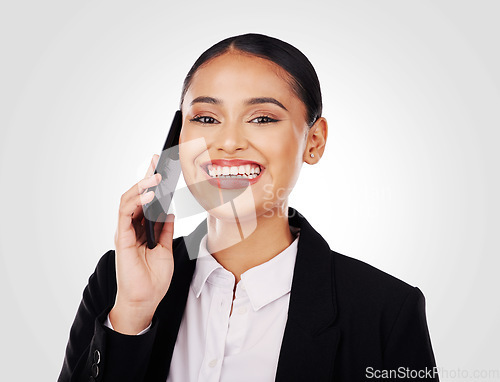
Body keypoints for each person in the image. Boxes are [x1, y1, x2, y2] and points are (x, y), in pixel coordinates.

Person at [58, 33, 439, 382]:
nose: (228, 142)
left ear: (315, 141)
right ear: (179, 140)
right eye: (206, 118)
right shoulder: (117, 282)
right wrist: (132, 315)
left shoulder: (385, 311)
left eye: (262, 118)